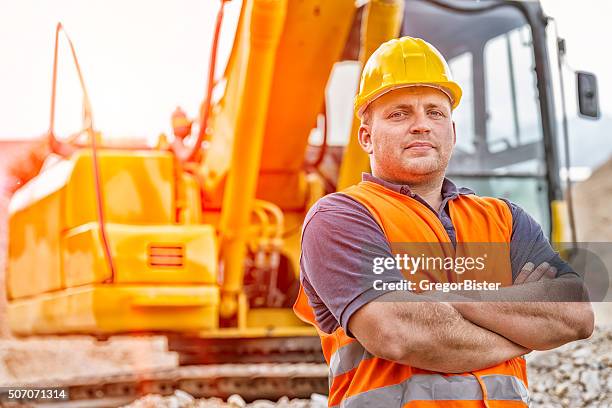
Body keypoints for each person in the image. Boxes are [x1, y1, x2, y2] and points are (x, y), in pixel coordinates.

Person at [294, 36, 593, 407]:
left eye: (435, 112)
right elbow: (396, 332)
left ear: (452, 132)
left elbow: (576, 314)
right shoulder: (341, 218)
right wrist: (525, 326)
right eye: (399, 113)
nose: (421, 125)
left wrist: (448, 299)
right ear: (366, 138)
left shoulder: (505, 219)